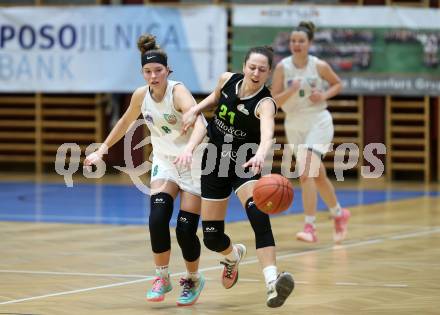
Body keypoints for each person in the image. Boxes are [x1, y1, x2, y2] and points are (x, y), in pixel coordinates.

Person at [84, 34, 205, 306]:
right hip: (165, 161)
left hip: (193, 161)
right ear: (142, 73)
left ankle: (193, 279)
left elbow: (200, 124)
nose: (153, 76)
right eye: (148, 72)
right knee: (157, 217)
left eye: (158, 71)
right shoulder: (141, 96)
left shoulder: (179, 92)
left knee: (186, 231)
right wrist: (103, 148)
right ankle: (162, 276)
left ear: (167, 71)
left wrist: (189, 148)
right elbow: (126, 122)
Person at [175, 46, 294, 308]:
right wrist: (196, 110)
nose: (256, 72)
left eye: (262, 69)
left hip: (246, 164)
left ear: (268, 73)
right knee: (211, 237)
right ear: (244, 66)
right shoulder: (227, 79)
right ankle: (232, 256)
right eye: (252, 67)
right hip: (214, 161)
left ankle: (272, 282)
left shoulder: (265, 103)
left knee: (258, 218)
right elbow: (215, 98)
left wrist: (262, 153)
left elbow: (267, 134)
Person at [271, 21, 351, 244]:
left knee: (306, 172)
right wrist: (291, 90)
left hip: (318, 121)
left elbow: (337, 84)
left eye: (301, 41)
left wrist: (323, 95)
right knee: (317, 175)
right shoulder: (282, 68)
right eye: (293, 41)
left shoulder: (318, 65)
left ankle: (310, 226)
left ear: (309, 43)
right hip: (294, 124)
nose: (296, 44)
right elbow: (274, 101)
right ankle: (338, 213)